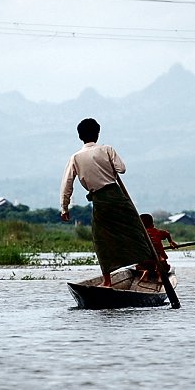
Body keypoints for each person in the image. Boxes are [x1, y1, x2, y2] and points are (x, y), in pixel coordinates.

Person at [60, 118, 155, 287]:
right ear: (97, 134)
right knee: (136, 232)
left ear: (80, 136)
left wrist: (64, 208)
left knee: (102, 240)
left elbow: (67, 185)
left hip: (100, 201)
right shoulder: (107, 149)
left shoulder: (75, 158)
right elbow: (122, 169)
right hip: (117, 196)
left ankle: (107, 281)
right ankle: (151, 267)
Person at [136, 213, 178, 281]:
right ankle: (159, 274)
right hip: (160, 263)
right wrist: (171, 242)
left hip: (146, 263)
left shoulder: (140, 234)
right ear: (152, 224)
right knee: (165, 267)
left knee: (139, 267)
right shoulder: (158, 232)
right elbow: (167, 234)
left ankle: (146, 272)